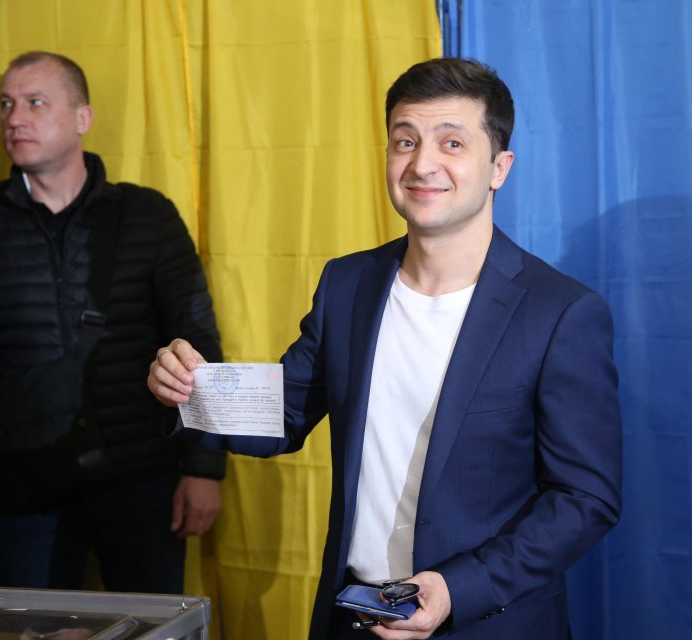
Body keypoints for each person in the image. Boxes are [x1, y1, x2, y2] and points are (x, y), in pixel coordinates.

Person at [149, 57, 622, 638]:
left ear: (499, 167)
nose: (423, 163)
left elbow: (584, 499)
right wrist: (187, 391)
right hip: (353, 616)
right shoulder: (349, 284)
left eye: (452, 143)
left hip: (485, 621)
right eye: (405, 140)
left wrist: (456, 589)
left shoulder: (560, 313)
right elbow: (283, 409)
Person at [0, 51, 225, 594]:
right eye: (6, 104)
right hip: (22, 490)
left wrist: (203, 467)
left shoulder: (147, 215)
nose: (15, 118)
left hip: (143, 480)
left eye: (36, 102)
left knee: (150, 628)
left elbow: (196, 341)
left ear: (82, 118)